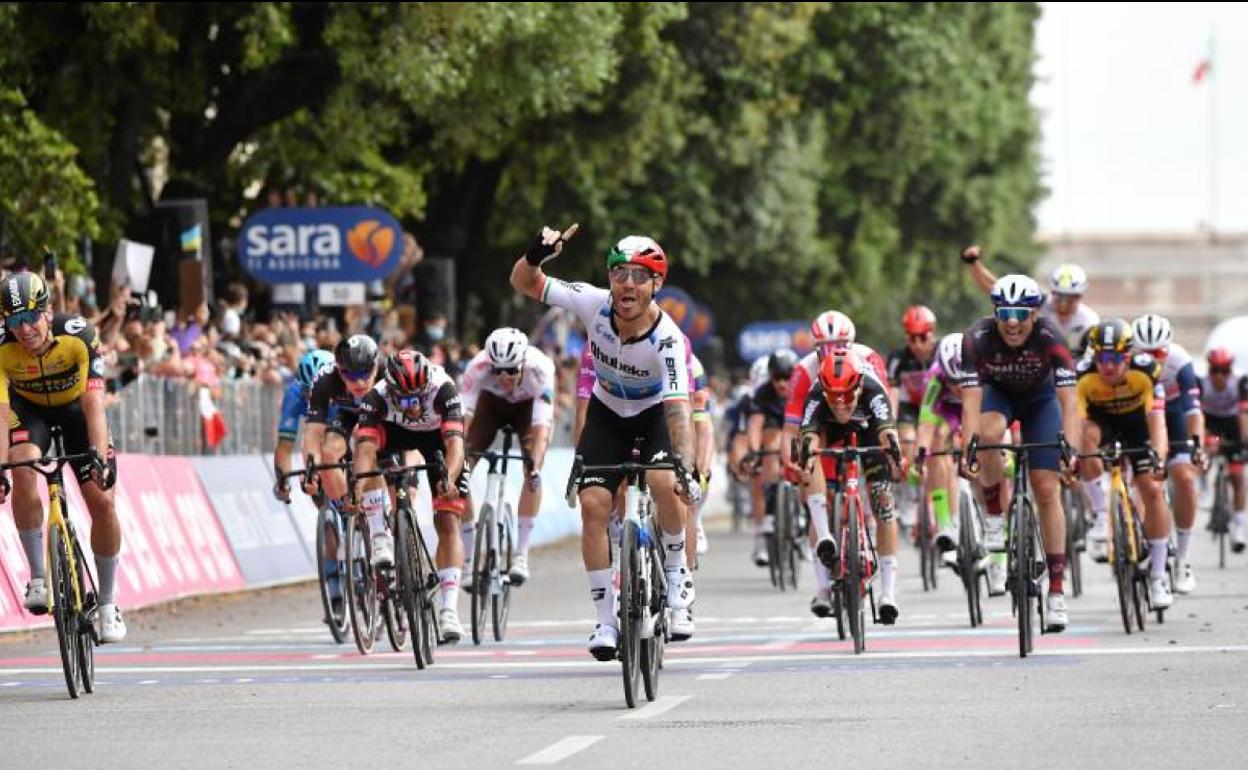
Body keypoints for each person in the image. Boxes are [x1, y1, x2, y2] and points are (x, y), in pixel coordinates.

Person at [511, 225, 700, 657]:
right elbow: (524, 282)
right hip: (609, 412)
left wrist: (684, 465)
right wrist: (535, 255)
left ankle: (676, 576)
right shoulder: (592, 302)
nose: (627, 284)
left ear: (657, 285)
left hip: (655, 413)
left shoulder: (668, 340)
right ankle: (604, 621)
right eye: (620, 274)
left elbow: (677, 411)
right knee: (594, 505)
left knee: (660, 479)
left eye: (639, 276)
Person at [0, 272, 126, 642]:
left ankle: (106, 603)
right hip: (29, 411)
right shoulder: (2, 347)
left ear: (48, 311)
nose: (24, 330)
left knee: (102, 501)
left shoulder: (79, 334)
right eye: (13, 321)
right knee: (21, 466)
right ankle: (38, 576)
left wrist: (100, 457)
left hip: (77, 410)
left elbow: (94, 404)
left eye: (30, 318)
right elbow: (1, 411)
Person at [959, 274, 1080, 632]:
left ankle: (1056, 592)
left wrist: (1069, 449)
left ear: (1035, 313)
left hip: (1041, 403)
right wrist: (971, 448)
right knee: (990, 433)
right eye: (1004, 312)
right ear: (995, 311)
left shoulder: (1051, 338)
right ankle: (995, 514)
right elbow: (970, 403)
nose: (1012, 322)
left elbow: (1069, 402)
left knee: (1046, 489)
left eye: (1021, 313)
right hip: (999, 398)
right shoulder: (976, 339)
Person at [354, 350, 468, 641]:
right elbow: (365, 451)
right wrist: (356, 488)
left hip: (436, 441)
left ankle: (449, 611)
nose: (414, 407)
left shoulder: (444, 389)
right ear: (391, 390)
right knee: (368, 466)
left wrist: (448, 479)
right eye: (405, 401)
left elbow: (455, 446)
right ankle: (382, 536)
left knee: (448, 519)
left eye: (418, 398)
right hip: (393, 435)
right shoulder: (376, 398)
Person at [799, 349, 906, 624]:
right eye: (833, 397)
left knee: (883, 500)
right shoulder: (816, 395)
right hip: (829, 431)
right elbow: (809, 436)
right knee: (808, 461)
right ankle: (825, 536)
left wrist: (893, 448)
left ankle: (888, 593)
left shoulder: (873, 389)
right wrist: (807, 456)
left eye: (847, 396)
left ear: (858, 386)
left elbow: (886, 431)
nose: (841, 404)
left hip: (869, 427)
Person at [1076, 320, 1174, 609]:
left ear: (1128, 357)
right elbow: (1077, 423)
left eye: (1116, 358)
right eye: (1102, 358)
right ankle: (1101, 513)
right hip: (1101, 421)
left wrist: (1158, 455)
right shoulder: (1082, 375)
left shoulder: (1147, 371)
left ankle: (1158, 577)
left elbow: (1157, 421)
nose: (1108, 366)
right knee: (1085, 440)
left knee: (1151, 490)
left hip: (1137, 424)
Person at [459, 327, 557, 585]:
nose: (504, 377)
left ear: (523, 363)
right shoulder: (477, 367)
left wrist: (534, 465)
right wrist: (457, 459)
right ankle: (469, 558)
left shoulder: (541, 368)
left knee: (533, 468)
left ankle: (521, 554)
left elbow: (542, 427)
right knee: (459, 471)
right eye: (497, 370)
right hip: (489, 408)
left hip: (527, 411)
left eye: (512, 370)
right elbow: (462, 421)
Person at [1130, 313, 1204, 592]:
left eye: (1159, 352)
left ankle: (1182, 559)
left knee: (1184, 478)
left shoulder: (1180, 361)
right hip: (1137, 415)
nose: (1152, 358)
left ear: (1169, 348)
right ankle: (1135, 539)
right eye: (1145, 352)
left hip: (1172, 417)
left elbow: (1192, 411)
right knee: (1140, 483)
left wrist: (1196, 445)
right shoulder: (1125, 362)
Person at [960, 246, 1100, 354]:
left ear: (1080, 295)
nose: (1064, 302)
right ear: (1052, 292)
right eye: (1059, 295)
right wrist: (973, 263)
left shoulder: (1090, 321)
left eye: (1071, 297)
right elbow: (995, 287)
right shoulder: (1040, 303)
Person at [301, 335, 380, 506]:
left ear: (376, 367)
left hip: (382, 414)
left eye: (365, 373)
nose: (359, 382)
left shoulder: (388, 374)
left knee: (367, 443)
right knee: (328, 451)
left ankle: (381, 511)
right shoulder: (325, 380)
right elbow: (313, 433)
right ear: (338, 370)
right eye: (350, 375)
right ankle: (348, 505)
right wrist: (310, 469)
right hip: (347, 414)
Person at [739, 349, 798, 567]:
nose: (782, 384)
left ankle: (805, 512)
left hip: (797, 426)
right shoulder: (763, 392)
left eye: (787, 377)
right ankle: (772, 505)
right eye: (777, 378)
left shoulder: (803, 389)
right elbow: (755, 424)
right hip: (774, 425)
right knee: (772, 444)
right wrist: (754, 450)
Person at [1199, 348, 1248, 554]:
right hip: (1210, 423)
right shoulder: (1201, 383)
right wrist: (1201, 441)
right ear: (1209, 369)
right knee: (1204, 455)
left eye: (1224, 371)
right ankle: (1206, 491)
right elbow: (1197, 415)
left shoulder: (1239, 384)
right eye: (1215, 370)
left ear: (1230, 370)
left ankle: (1238, 525)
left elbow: (1244, 415)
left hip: (1232, 425)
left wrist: (1244, 442)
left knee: (1237, 476)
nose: (1219, 375)